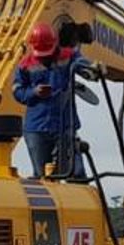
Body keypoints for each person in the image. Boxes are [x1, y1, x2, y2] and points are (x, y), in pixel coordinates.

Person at [11, 22, 83, 177]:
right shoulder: (25, 66)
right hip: (37, 128)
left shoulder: (68, 56)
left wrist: (94, 69)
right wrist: (34, 92)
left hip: (64, 125)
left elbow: (82, 64)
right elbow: (17, 92)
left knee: (76, 172)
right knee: (42, 175)